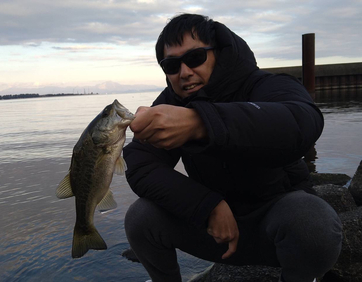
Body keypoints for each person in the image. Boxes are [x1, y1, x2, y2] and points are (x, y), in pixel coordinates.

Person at [123, 14, 342, 282]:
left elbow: (301, 122)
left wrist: (201, 123)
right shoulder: (171, 102)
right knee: (141, 216)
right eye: (171, 65)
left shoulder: (265, 85)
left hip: (274, 226)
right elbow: (140, 163)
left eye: (195, 58)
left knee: (312, 221)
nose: (184, 72)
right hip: (214, 230)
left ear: (219, 53)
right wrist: (207, 205)